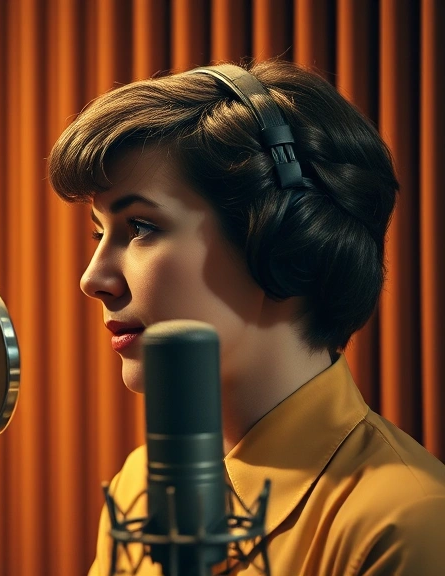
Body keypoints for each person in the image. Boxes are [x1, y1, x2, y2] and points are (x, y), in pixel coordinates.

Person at [48, 60, 445, 575]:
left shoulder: (407, 523)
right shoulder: (140, 485)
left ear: (284, 238)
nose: (93, 278)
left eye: (141, 226)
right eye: (99, 233)